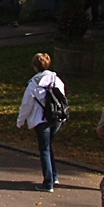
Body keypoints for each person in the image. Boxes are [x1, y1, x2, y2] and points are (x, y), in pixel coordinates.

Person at [16, 52, 66, 191]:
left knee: (44, 149)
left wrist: (21, 121)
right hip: (56, 118)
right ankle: (54, 176)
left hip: (41, 120)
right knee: (48, 146)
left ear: (35, 67)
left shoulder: (33, 83)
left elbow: (27, 104)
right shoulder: (56, 79)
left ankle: (48, 183)